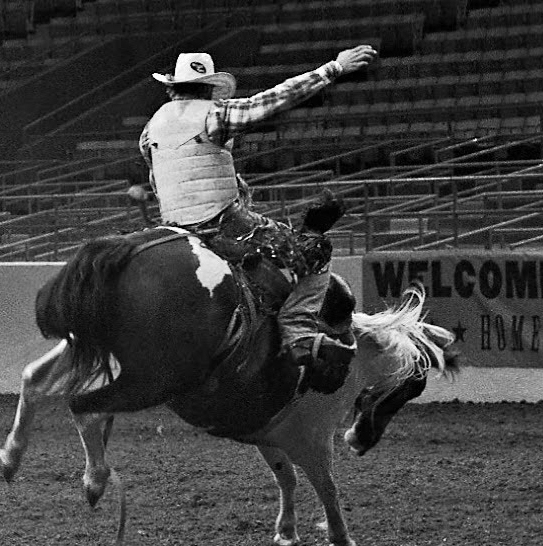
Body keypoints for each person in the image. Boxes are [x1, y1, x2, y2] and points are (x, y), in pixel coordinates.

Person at [131, 45, 378, 394]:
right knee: (315, 251)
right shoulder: (216, 115)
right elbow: (274, 100)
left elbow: (158, 179)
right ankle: (299, 334)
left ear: (173, 86)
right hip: (223, 225)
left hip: (171, 227)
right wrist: (333, 68)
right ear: (209, 88)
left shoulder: (151, 129)